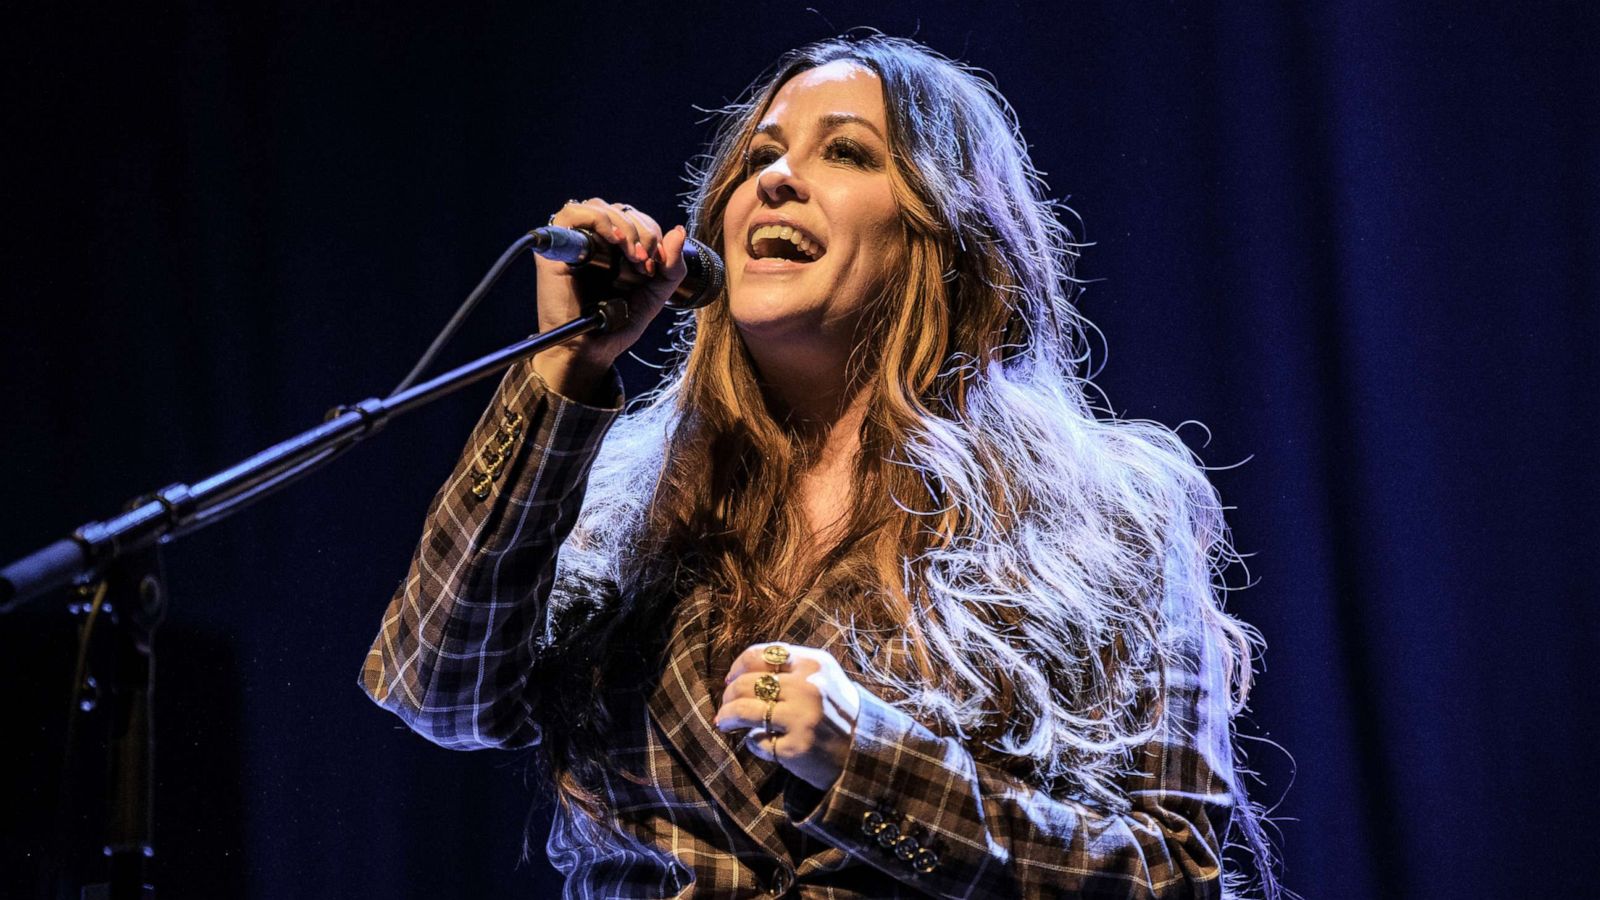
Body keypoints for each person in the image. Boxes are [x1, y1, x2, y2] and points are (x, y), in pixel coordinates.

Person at [361, 34, 1280, 899]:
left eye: (846, 154)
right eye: (759, 157)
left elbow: (1178, 876)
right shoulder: (620, 500)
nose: (778, 180)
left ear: (947, 233)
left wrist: (870, 760)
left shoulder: (1110, 515)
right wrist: (566, 369)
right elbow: (438, 691)